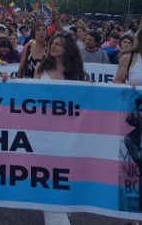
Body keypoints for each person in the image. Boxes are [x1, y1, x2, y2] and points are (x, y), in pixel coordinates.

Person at [34, 31, 87, 225]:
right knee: (47, 173)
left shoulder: (77, 72)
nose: (53, 46)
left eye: (59, 44)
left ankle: (59, 209)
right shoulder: (42, 67)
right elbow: (30, 92)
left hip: (67, 132)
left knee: (63, 173)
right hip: (44, 129)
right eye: (52, 43)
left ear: (68, 49)